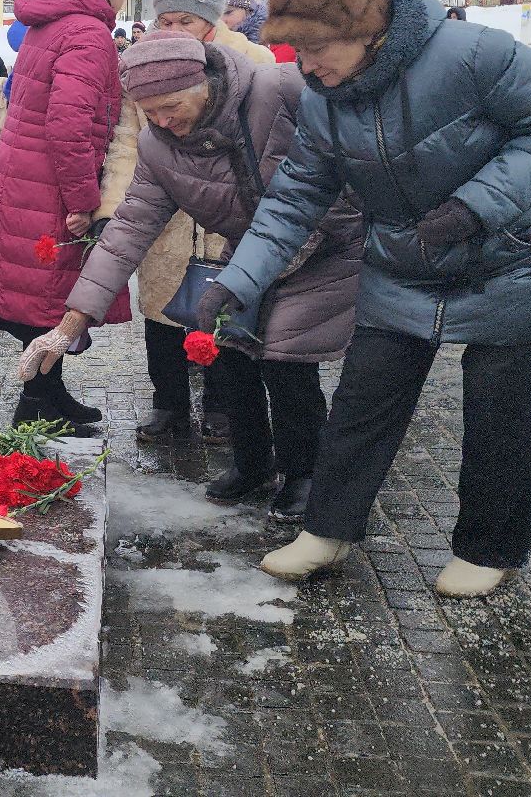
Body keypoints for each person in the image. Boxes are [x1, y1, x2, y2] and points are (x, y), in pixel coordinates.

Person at [204, 0, 531, 598]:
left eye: (319, 47)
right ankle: (327, 531)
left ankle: (489, 547)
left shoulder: (474, 53)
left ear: (372, 30)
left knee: (497, 412)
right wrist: (238, 281)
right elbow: (297, 195)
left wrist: (473, 208)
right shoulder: (324, 99)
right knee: (362, 401)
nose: (308, 64)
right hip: (403, 261)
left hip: (512, 255)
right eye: (297, 48)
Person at [27, 33, 363, 522]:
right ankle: (252, 462)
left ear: (204, 83)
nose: (163, 122)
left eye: (170, 106)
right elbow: (130, 227)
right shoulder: (157, 144)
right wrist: (71, 323)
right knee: (231, 351)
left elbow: (353, 159)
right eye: (149, 112)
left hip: (323, 245)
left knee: (288, 357)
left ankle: (305, 474)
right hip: (245, 253)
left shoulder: (278, 91)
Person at [128, 0, 303, 448]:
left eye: (185, 20)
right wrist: (117, 203)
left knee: (225, 315)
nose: (172, 30)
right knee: (162, 311)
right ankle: (170, 403)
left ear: (209, 19)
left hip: (226, 214)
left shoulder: (254, 60)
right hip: (167, 210)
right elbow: (129, 142)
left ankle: (224, 408)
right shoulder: (143, 65)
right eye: (164, 19)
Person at [0, 0, 136, 425]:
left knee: (41, 293)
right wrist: (84, 197)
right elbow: (69, 124)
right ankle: (36, 406)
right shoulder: (87, 32)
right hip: (49, 184)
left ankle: (51, 393)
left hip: (21, 175)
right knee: (51, 296)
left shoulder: (51, 21)